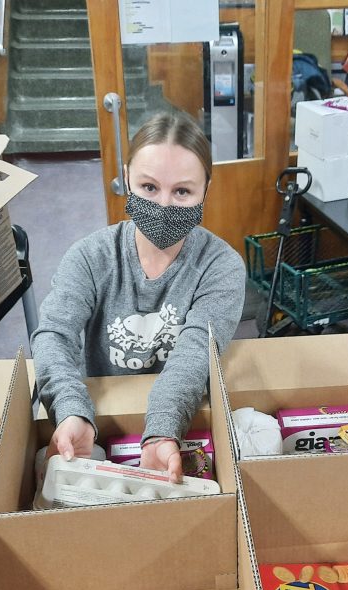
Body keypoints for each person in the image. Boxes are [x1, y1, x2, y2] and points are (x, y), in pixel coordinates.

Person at [32, 111, 245, 483]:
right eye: (149, 187)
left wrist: (162, 430)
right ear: (127, 177)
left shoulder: (221, 266)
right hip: (101, 406)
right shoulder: (90, 256)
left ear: (205, 190)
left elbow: (194, 353)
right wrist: (69, 410)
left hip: (182, 416)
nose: (164, 205)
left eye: (182, 191)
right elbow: (54, 335)